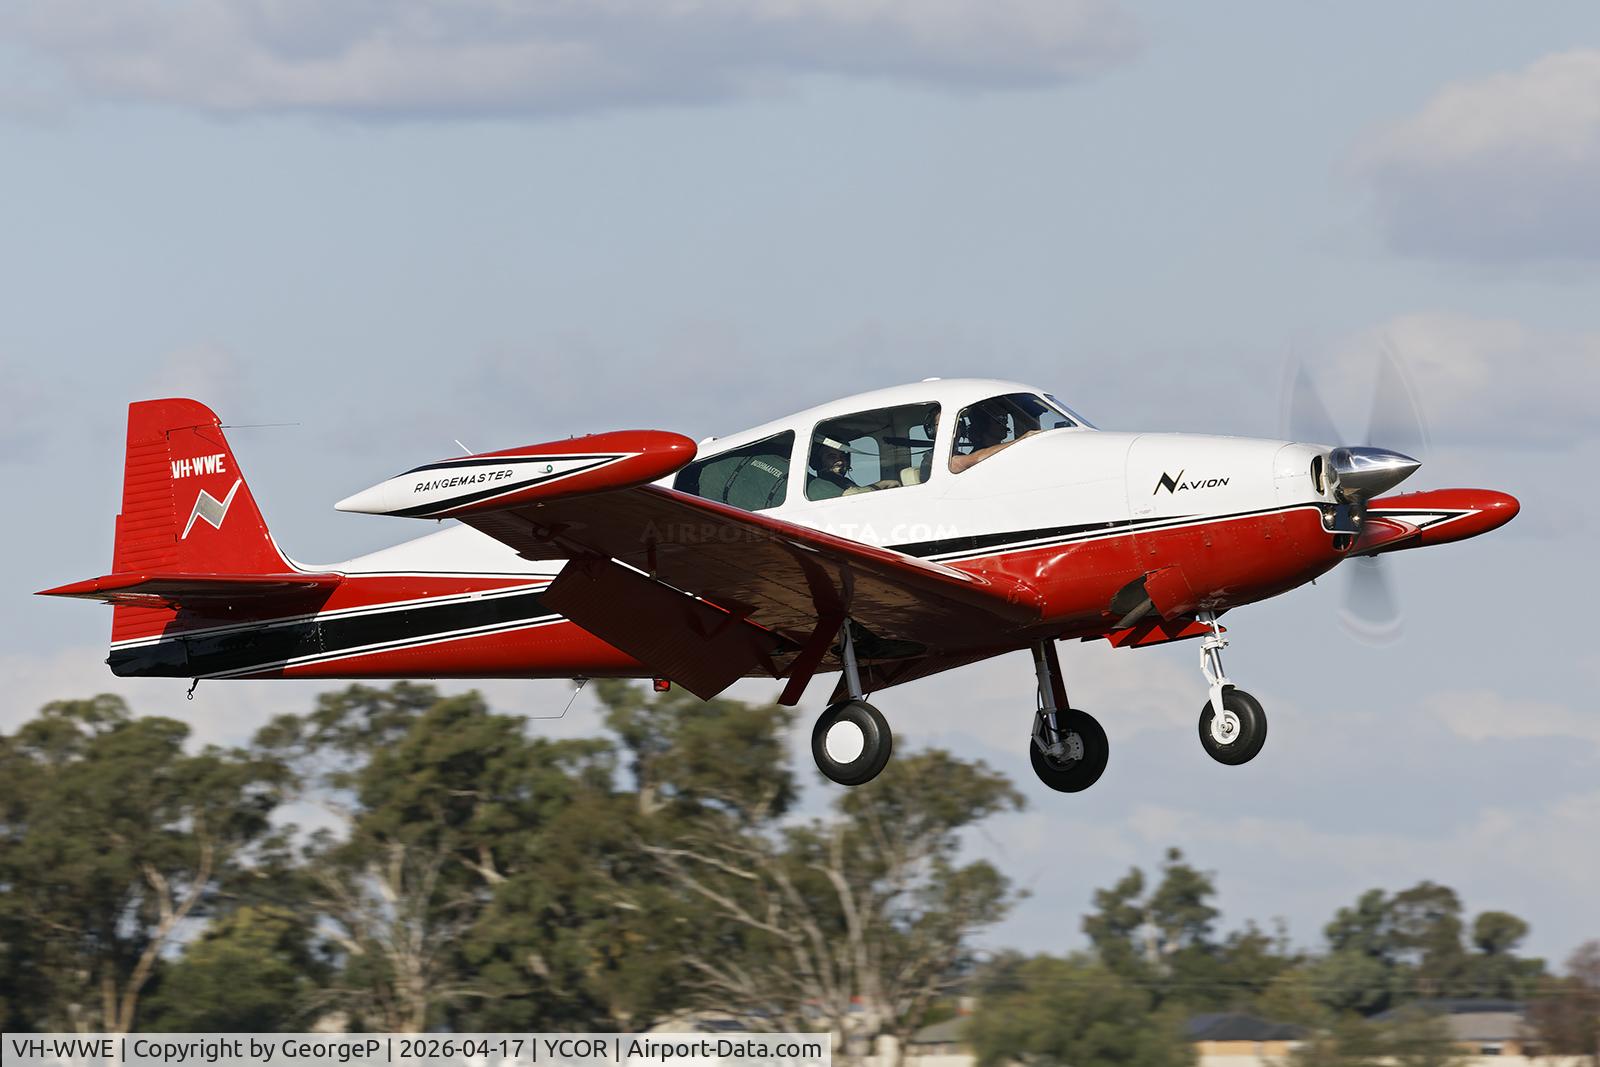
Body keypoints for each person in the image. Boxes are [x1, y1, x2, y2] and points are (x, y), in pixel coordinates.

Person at [949, 404, 1039, 474]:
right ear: (984, 423)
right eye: (1000, 418)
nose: (1006, 421)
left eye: (1006, 417)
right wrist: (1022, 439)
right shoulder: (975, 458)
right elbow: (977, 457)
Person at [808, 436, 901, 499]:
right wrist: (883, 484)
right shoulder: (817, 486)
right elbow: (849, 497)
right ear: (817, 462)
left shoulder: (846, 482)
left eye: (842, 456)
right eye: (831, 457)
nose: (840, 461)